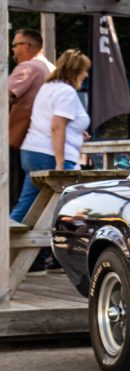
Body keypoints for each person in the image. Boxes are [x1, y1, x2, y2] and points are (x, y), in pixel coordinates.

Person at [11, 49, 92, 274]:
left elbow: (54, 123)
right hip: (52, 154)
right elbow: (57, 126)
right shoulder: (66, 92)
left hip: (32, 150)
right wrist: (59, 165)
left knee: (27, 207)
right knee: (69, 209)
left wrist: (78, 131)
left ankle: (32, 260)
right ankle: (63, 259)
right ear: (76, 71)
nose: (86, 76)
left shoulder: (47, 88)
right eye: (85, 71)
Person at [7, 29, 55, 210]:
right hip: (47, 142)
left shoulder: (28, 67)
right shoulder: (51, 68)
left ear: (26, 46)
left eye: (14, 45)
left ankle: (8, 234)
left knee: (14, 195)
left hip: (20, 139)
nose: (12, 50)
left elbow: (5, 96)